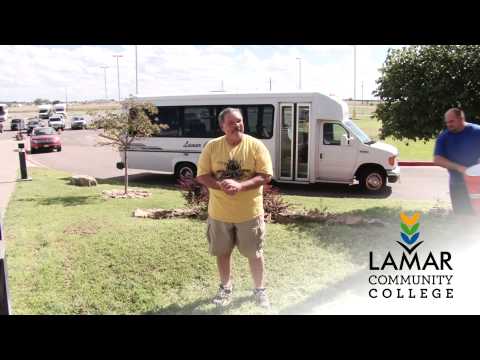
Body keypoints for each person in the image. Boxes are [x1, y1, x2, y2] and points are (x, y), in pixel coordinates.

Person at [196, 107, 273, 308]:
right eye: (231, 122)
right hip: (219, 214)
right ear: (222, 126)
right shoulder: (212, 147)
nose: (236, 125)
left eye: (239, 121)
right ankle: (226, 288)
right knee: (223, 252)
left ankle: (259, 290)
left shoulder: (256, 146)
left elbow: (265, 175)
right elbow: (202, 175)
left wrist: (240, 185)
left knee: (254, 254)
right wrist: (219, 185)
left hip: (249, 213)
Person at [434, 108, 480, 215]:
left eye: (451, 121)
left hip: (477, 183)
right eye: (447, 122)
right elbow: (437, 159)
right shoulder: (444, 137)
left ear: (461, 119)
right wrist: (459, 168)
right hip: (457, 184)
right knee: (462, 217)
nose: (448, 125)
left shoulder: (477, 132)